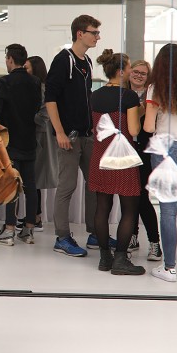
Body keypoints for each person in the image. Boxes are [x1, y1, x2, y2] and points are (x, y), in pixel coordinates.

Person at [45, 14, 101, 257]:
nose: (97, 37)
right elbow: (50, 99)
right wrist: (60, 132)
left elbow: (85, 97)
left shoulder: (86, 61)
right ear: (80, 33)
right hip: (69, 136)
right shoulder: (63, 60)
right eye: (94, 32)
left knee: (94, 184)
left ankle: (95, 233)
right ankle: (62, 237)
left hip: (87, 135)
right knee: (67, 186)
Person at [87, 50, 144, 275]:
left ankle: (105, 258)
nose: (131, 71)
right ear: (120, 72)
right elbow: (133, 130)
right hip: (122, 157)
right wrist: (141, 111)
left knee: (102, 207)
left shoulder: (95, 95)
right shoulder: (128, 96)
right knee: (129, 208)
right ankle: (120, 259)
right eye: (129, 68)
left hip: (101, 156)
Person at [0, 44, 42, 246]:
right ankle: (28, 230)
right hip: (30, 140)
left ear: (10, 59)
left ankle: (9, 230)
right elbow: (37, 108)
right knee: (30, 186)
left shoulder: (5, 82)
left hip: (10, 141)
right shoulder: (35, 82)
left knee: (11, 185)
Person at [144, 44, 177, 282]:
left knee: (168, 211)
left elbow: (148, 127)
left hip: (166, 150)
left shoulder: (156, 88)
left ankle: (169, 268)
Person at [126, 59, 161, 260]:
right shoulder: (123, 94)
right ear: (129, 72)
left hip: (146, 150)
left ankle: (154, 243)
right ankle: (132, 237)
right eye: (136, 72)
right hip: (126, 150)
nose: (139, 75)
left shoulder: (152, 95)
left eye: (143, 73)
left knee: (141, 196)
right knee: (129, 196)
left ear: (148, 77)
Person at [22, 55, 57, 230]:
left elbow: (44, 115)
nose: (24, 71)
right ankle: (34, 216)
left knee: (34, 178)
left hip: (40, 138)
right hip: (38, 136)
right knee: (33, 178)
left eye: (27, 68)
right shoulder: (37, 88)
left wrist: (25, 117)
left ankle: (35, 217)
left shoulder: (42, 89)